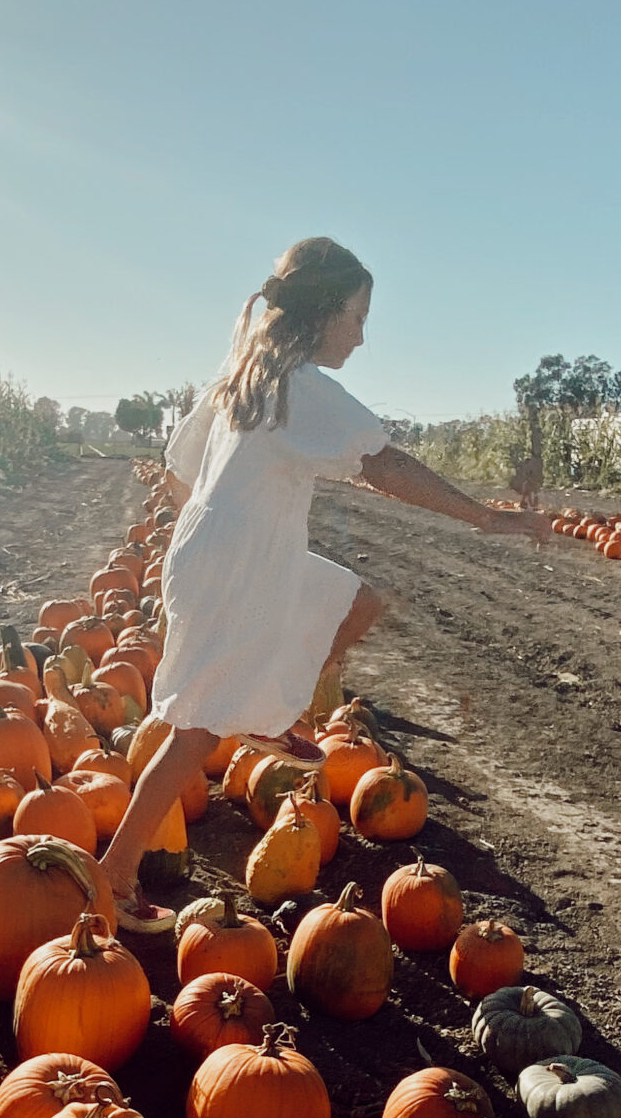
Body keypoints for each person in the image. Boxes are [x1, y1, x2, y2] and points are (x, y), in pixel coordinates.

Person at [99, 236, 550, 927]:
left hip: (230, 553)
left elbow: (183, 468)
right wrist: (484, 518)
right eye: (358, 317)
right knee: (192, 730)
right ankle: (114, 874)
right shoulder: (298, 387)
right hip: (240, 561)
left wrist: (225, 524)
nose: (363, 336)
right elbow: (385, 464)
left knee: (354, 601)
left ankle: (276, 716)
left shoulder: (240, 381)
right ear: (322, 315)